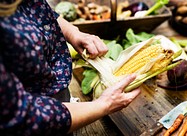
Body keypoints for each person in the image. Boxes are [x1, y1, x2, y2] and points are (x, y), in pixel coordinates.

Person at [0, 0, 141, 135]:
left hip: (59, 95)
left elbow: (39, 9)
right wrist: (104, 105)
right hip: (46, 118)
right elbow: (22, 119)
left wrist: (73, 33)